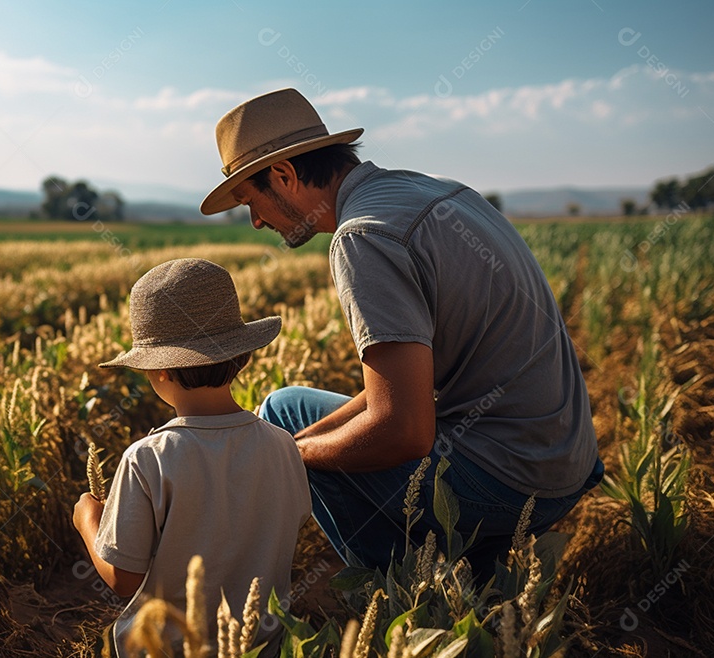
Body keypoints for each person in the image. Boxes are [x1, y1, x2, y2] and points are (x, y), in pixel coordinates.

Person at [199, 88, 603, 575]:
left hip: (513, 483)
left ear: (284, 175)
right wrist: (295, 444)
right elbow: (399, 395)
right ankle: (476, 564)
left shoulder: (363, 236)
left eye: (251, 200)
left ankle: (407, 592)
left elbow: (404, 432)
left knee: (293, 448)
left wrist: (292, 459)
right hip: (566, 459)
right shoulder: (441, 192)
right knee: (286, 416)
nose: (257, 220)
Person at [73, 258, 311, 657]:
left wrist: (87, 519)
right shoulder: (283, 444)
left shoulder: (147, 459)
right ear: (244, 357)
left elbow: (122, 578)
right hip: (263, 647)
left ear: (159, 370)